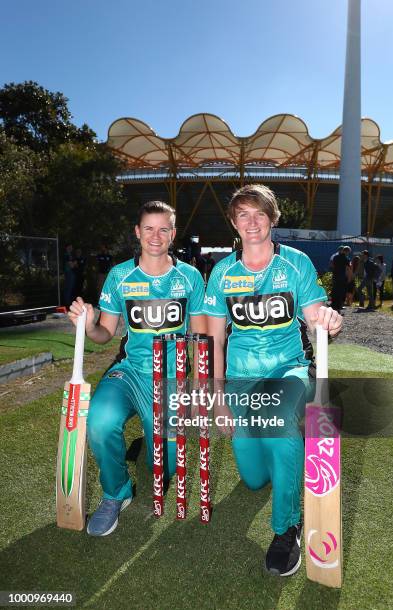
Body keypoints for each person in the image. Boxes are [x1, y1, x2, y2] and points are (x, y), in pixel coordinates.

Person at [203, 184, 342, 577]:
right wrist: (218, 395)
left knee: (279, 426)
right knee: (252, 478)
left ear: (273, 218)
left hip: (288, 370)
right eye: (243, 214)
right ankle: (282, 469)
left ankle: (287, 528)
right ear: (233, 222)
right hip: (240, 380)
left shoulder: (295, 263)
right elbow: (216, 338)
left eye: (259, 214)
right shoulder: (222, 272)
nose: (251, 222)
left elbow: (318, 316)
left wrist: (330, 321)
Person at [68, 201, 206, 536]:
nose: (155, 236)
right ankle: (116, 493)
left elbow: (201, 334)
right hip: (129, 372)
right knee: (99, 420)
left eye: (163, 229)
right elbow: (104, 334)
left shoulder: (189, 277)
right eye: (148, 228)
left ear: (173, 234)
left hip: (171, 378)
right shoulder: (120, 275)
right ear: (137, 232)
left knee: (166, 464)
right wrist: (88, 327)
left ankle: (152, 437)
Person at [331, 246, 349, 311]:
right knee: (341, 291)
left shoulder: (335, 257)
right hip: (342, 277)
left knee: (335, 290)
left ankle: (333, 304)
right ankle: (339, 305)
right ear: (346, 251)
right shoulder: (346, 259)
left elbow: (332, 265)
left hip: (335, 275)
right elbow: (348, 268)